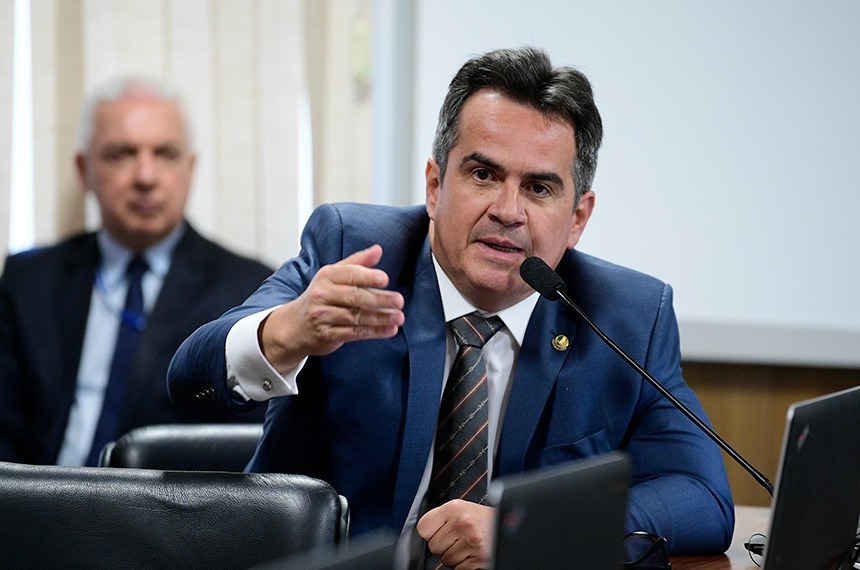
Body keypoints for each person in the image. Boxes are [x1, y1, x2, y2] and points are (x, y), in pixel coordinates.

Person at [168, 47, 734, 568]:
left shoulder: (626, 317)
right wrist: (287, 331)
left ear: (577, 218)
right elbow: (189, 379)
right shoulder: (355, 252)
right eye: (484, 174)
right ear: (435, 186)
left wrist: (529, 534)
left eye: (539, 188)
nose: (508, 210)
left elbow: (703, 497)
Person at [0, 77, 272, 466]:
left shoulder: (246, 290)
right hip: (39, 497)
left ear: (190, 169)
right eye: (121, 154)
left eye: (165, 154)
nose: (146, 177)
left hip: (166, 504)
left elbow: (245, 453)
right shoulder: (30, 282)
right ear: (84, 170)